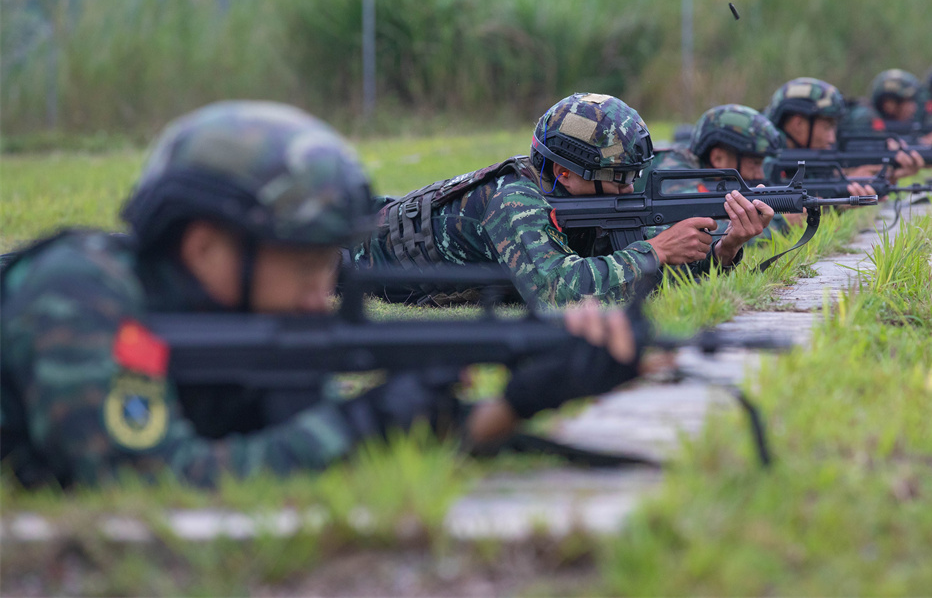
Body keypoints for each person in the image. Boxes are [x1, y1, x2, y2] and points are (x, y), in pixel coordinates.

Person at [0, 101, 646, 490]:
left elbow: (319, 450)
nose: (323, 293)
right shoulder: (80, 294)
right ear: (205, 249)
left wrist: (520, 398)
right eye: (308, 265)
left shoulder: (225, 327)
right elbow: (154, 479)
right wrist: (363, 421)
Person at [354, 93, 774, 307]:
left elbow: (636, 277)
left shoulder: (586, 203)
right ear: (566, 175)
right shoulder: (513, 201)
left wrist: (725, 248)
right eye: (618, 177)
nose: (629, 188)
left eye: (633, 175)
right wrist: (656, 250)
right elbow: (556, 292)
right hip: (352, 249)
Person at [651, 104, 791, 239]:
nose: (760, 174)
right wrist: (781, 222)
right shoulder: (674, 169)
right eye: (754, 163)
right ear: (718, 158)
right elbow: (698, 232)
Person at [763, 77, 924, 185]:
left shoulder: (796, 153)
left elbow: (815, 182)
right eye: (827, 128)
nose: (832, 139)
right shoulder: (764, 156)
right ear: (798, 124)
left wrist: (850, 180)